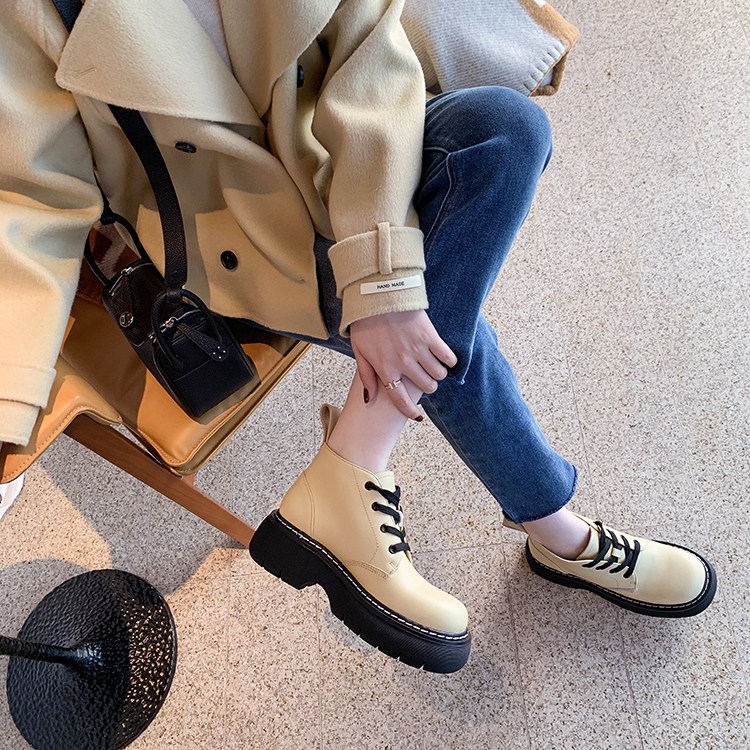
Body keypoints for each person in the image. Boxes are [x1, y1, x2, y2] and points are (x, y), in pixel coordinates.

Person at [0, 0, 715, 674]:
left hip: (340, 147)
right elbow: (33, 195)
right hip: (229, 234)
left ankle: (353, 462)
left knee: (505, 130)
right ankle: (561, 534)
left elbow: (365, 42)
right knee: (447, 336)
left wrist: (382, 279)